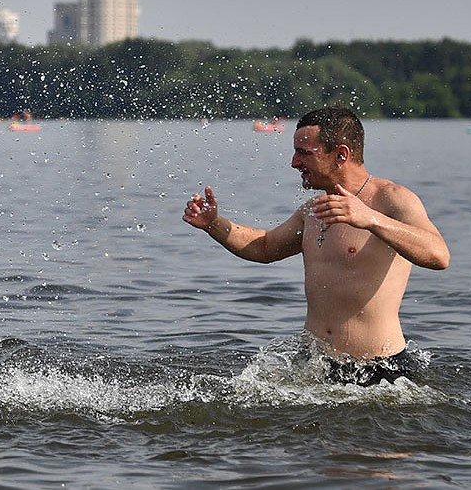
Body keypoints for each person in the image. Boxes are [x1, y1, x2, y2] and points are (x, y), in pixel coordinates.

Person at [182, 105, 450, 386]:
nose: (294, 163)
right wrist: (213, 224)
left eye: (304, 153)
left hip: (380, 373)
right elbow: (264, 246)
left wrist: (370, 218)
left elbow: (438, 254)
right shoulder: (312, 210)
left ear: (341, 155)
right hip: (315, 368)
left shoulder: (392, 200)